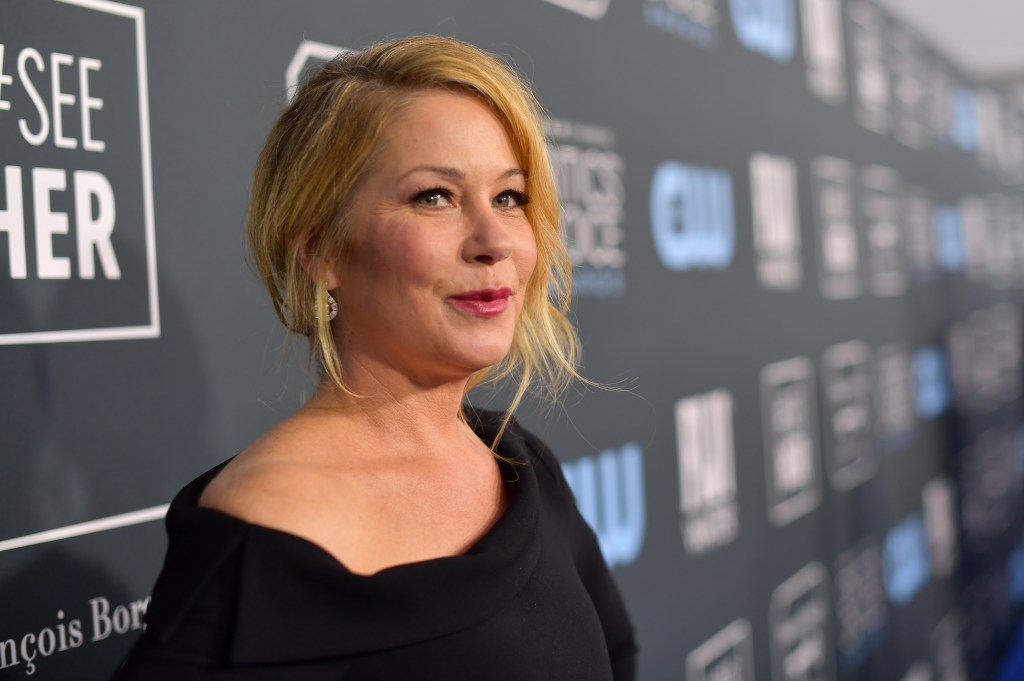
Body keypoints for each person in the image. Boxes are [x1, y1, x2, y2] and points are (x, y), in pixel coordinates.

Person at [111, 35, 637, 680]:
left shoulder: (518, 460)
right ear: (321, 251)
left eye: (510, 197)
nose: (494, 240)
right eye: (434, 196)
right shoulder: (270, 525)